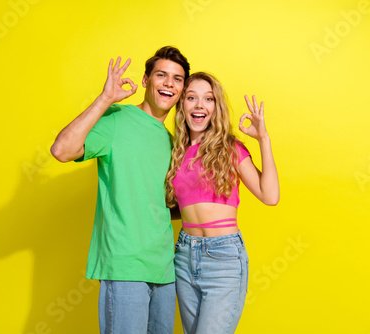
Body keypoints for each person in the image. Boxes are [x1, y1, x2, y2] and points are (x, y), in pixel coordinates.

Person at [50, 46, 190, 334]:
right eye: (161, 75)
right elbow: (62, 150)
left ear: (182, 89)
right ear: (145, 80)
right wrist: (104, 100)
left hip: (165, 269)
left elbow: (165, 205)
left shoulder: (173, 142)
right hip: (125, 265)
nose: (168, 84)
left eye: (177, 79)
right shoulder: (117, 119)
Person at [165, 72, 280, 333]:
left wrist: (263, 139)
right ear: (182, 104)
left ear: (216, 107)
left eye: (208, 99)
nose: (199, 105)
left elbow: (270, 195)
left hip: (223, 258)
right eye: (191, 98)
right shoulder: (176, 152)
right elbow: (173, 206)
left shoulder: (230, 148)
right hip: (184, 255)